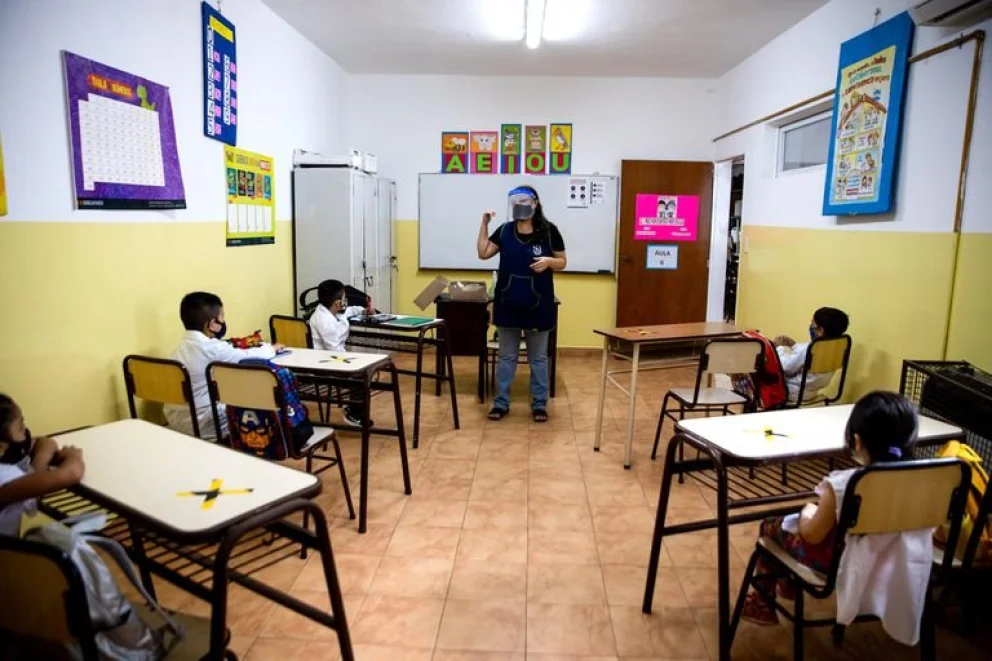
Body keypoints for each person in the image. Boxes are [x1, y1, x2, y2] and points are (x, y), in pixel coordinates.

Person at [741, 391, 921, 629]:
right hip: (895, 563)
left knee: (770, 525)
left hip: (839, 565)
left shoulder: (844, 485)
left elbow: (812, 535)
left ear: (856, 441)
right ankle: (788, 584)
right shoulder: (922, 483)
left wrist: (806, 513)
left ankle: (763, 603)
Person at [477, 185, 567, 422]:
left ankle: (539, 405)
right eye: (516, 202)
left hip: (538, 304)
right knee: (507, 357)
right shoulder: (505, 230)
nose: (520, 206)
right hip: (508, 303)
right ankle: (501, 403)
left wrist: (549, 261)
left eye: (524, 201)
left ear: (535, 204)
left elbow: (562, 262)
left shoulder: (549, 231)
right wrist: (484, 224)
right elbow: (483, 253)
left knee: (538, 359)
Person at [164, 292, 284, 440]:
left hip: (174, 420)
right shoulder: (213, 348)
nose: (223, 322)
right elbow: (248, 356)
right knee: (258, 400)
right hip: (205, 423)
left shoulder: (177, 351)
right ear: (212, 324)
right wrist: (271, 348)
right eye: (222, 318)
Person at [0, 394, 86, 536]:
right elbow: (72, 473)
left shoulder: (7, 453)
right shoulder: (5, 479)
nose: (26, 432)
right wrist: (73, 456)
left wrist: (36, 469)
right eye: (21, 428)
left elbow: (45, 442)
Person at [309, 279, 373, 427]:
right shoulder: (323, 320)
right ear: (337, 303)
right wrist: (353, 362)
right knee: (360, 375)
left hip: (333, 358)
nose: (346, 300)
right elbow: (334, 349)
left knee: (363, 371)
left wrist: (363, 311)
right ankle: (354, 414)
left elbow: (349, 310)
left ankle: (353, 408)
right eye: (344, 298)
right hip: (326, 364)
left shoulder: (329, 310)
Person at [772, 307, 849, 404]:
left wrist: (778, 348)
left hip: (793, 392)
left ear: (820, 330)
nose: (810, 325)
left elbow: (785, 368)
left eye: (813, 323)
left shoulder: (810, 349)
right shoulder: (837, 348)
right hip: (813, 392)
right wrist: (794, 345)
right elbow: (804, 357)